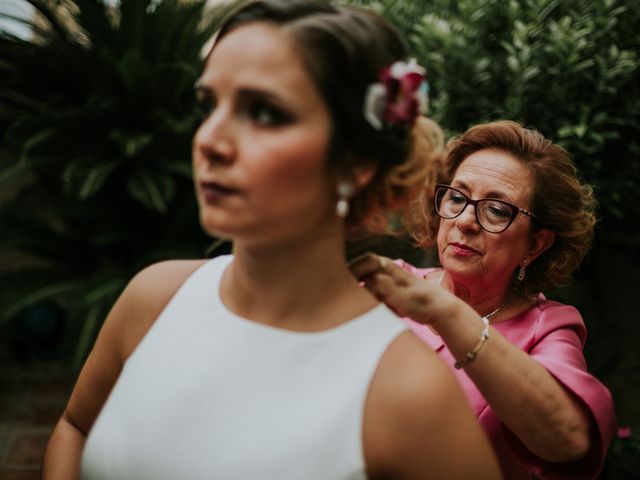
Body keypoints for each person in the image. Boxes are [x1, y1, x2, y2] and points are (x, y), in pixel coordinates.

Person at [42, 1, 502, 479]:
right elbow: (75, 427)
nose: (209, 140)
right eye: (208, 105)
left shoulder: (407, 393)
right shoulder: (154, 298)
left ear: (355, 162)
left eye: (263, 112)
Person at [350, 120, 616, 479]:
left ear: (537, 243)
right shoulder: (386, 283)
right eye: (457, 197)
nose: (465, 221)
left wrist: (446, 312)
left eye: (496, 210)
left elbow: (567, 440)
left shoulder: (548, 328)